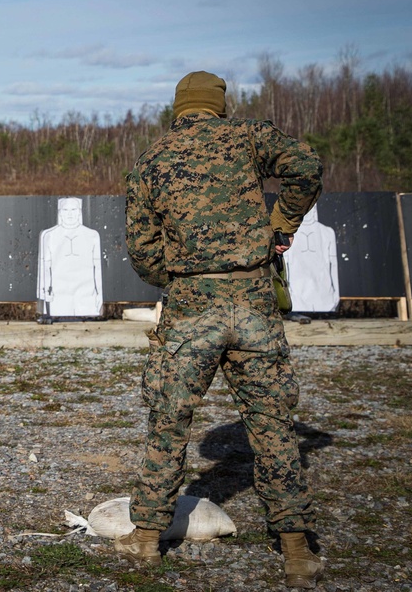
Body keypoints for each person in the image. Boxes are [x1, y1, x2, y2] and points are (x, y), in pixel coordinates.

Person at [120, 71, 324, 589]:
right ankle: (296, 551)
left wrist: (180, 278)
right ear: (219, 105)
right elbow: (306, 166)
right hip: (255, 301)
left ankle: (146, 539)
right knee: (273, 424)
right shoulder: (249, 137)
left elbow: (142, 249)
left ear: (178, 107)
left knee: (169, 420)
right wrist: (281, 225)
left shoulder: (153, 159)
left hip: (191, 305)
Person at [37, 197, 103, 317]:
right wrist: (44, 293)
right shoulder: (49, 236)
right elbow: (45, 267)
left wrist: (100, 295)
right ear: (60, 212)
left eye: (73, 209)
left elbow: (97, 269)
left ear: (79, 211)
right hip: (59, 296)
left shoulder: (92, 235)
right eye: (65, 210)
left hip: (86, 296)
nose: (70, 214)